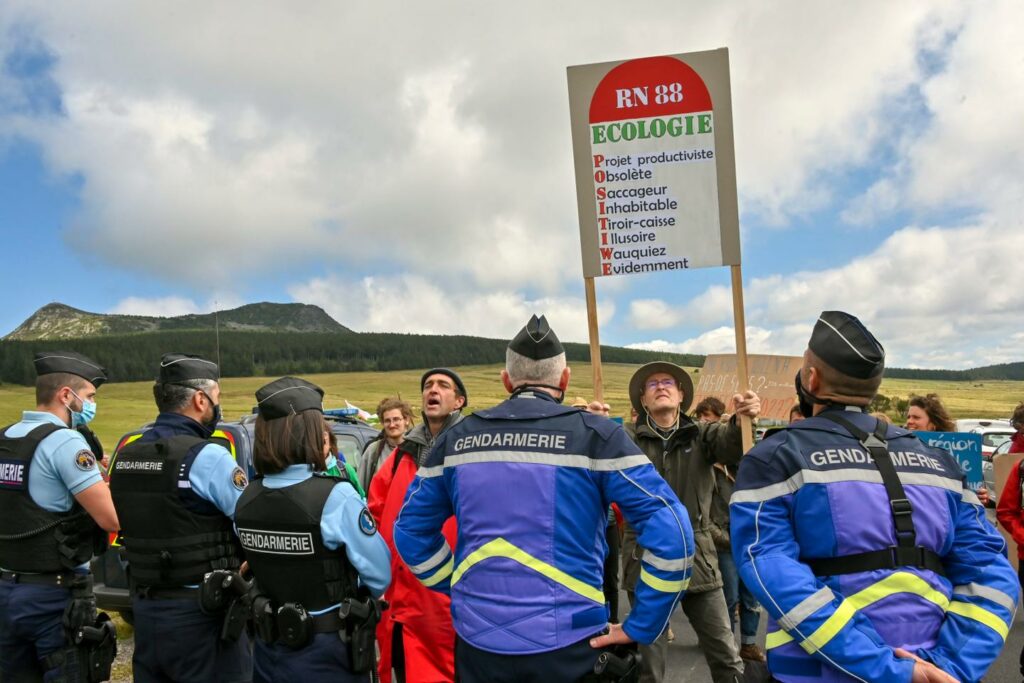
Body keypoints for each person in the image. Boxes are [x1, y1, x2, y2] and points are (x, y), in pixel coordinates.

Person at [394, 315, 695, 683]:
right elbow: (675, 534)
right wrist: (644, 624)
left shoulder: (457, 440)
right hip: (572, 642)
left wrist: (455, 584)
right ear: (564, 380)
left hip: (478, 642)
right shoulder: (597, 435)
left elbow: (409, 531)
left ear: (507, 381)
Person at [731, 311, 1017, 683]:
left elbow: (774, 575)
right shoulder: (940, 462)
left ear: (811, 378)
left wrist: (889, 669)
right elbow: (992, 574)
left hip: (819, 672)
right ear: (872, 389)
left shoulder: (775, 457)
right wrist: (950, 667)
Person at [234, 377, 391, 682]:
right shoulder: (335, 496)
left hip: (268, 651)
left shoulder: (247, 497)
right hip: (326, 649)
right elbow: (379, 573)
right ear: (307, 432)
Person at [109, 353, 252, 683]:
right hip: (202, 617)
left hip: (146, 610)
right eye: (217, 398)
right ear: (200, 399)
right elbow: (249, 523)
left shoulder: (128, 454)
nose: (218, 407)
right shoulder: (207, 456)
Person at [622, 362, 759, 683]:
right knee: (648, 668)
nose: (660, 386)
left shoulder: (703, 434)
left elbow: (733, 442)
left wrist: (744, 418)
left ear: (681, 395)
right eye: (651, 384)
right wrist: (594, 424)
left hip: (698, 558)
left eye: (667, 381)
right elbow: (597, 450)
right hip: (644, 561)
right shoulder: (625, 439)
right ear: (643, 400)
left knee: (726, 657)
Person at [0, 351, 120, 682]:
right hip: (53, 597)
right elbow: (112, 519)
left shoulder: (6, 438)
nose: (93, 404)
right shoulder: (65, 442)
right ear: (66, 396)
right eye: (90, 396)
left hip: (7, 588)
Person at [367, 369, 467, 683]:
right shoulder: (400, 456)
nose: (432, 390)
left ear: (459, 401)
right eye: (427, 385)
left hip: (450, 599)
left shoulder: (472, 453)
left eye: (443, 385)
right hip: (402, 603)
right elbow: (374, 515)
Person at [697, 397, 765, 665]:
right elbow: (707, 514)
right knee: (728, 598)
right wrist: (726, 540)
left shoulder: (751, 466)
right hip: (725, 544)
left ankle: (748, 644)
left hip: (750, 542)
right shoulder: (710, 469)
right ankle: (726, 645)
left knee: (751, 597)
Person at [358, 397, 414, 494]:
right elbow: (360, 490)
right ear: (382, 423)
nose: (392, 425)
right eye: (387, 421)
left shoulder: (418, 450)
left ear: (406, 420)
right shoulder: (373, 451)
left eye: (396, 419)